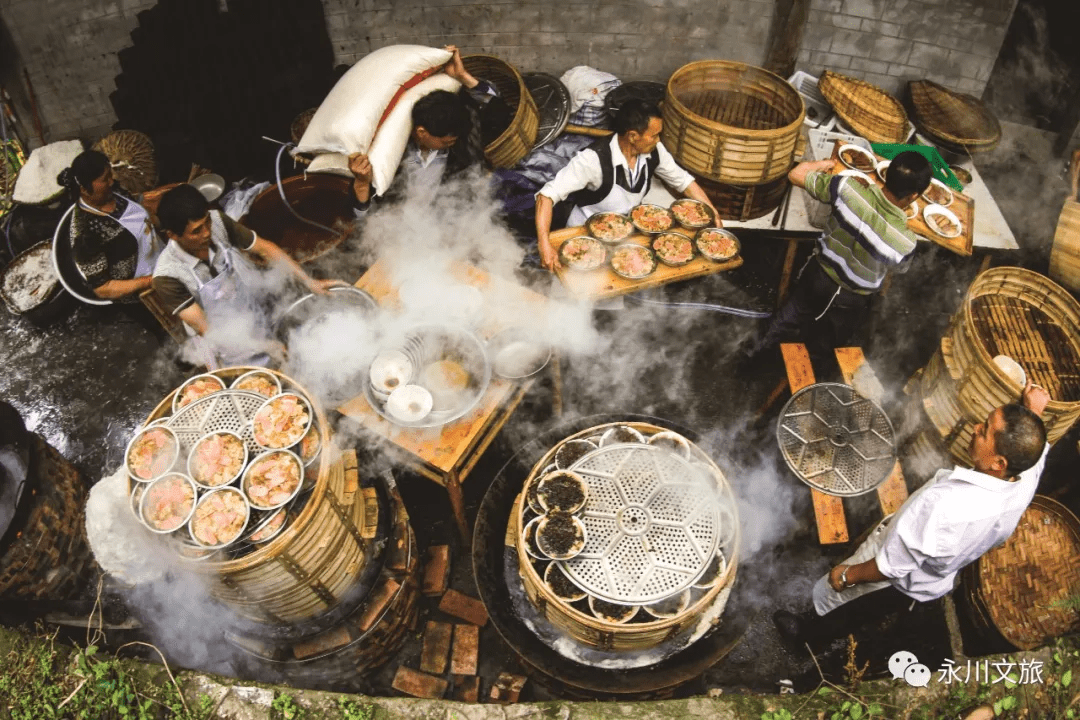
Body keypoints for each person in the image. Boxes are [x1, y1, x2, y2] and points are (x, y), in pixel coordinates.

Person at [774, 382, 1051, 645]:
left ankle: (806, 637)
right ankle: (821, 628)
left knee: (848, 607)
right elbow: (1035, 450)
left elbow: (889, 567)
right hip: (933, 575)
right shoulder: (1023, 479)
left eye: (985, 431)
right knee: (859, 610)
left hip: (900, 580)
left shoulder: (945, 506)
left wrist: (846, 576)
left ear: (998, 463)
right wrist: (1033, 411)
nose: (976, 428)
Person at [748, 151, 932, 360]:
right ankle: (803, 380)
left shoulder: (847, 189)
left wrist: (825, 162)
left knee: (788, 317)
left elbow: (796, 174)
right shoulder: (905, 241)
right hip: (852, 301)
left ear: (886, 175)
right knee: (825, 346)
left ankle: (751, 357)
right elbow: (899, 269)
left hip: (818, 278)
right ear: (914, 196)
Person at [151, 184, 343, 366]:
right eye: (196, 231)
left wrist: (309, 282)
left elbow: (265, 249)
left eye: (207, 222)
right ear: (173, 235)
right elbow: (208, 330)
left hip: (250, 311)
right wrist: (263, 346)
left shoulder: (218, 221)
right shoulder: (167, 276)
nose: (207, 232)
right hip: (226, 342)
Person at [534, 99, 719, 271]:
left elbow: (683, 181)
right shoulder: (592, 159)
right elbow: (547, 196)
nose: (658, 140)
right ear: (632, 136)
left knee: (616, 287)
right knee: (579, 292)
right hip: (584, 235)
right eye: (654, 136)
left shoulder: (654, 151)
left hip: (623, 234)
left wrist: (712, 211)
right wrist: (544, 244)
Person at [348, 45, 501, 213]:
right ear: (421, 132)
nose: (451, 143)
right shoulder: (388, 154)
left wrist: (462, 76)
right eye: (445, 142)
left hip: (451, 221)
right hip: (403, 227)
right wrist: (362, 185)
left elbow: (499, 112)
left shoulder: (461, 143)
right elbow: (362, 217)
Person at [59, 150, 163, 301]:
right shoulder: (85, 232)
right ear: (84, 189)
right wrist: (152, 281)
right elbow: (103, 289)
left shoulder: (115, 191)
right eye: (105, 179)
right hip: (144, 295)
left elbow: (143, 214)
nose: (111, 181)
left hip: (162, 260)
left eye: (110, 174)